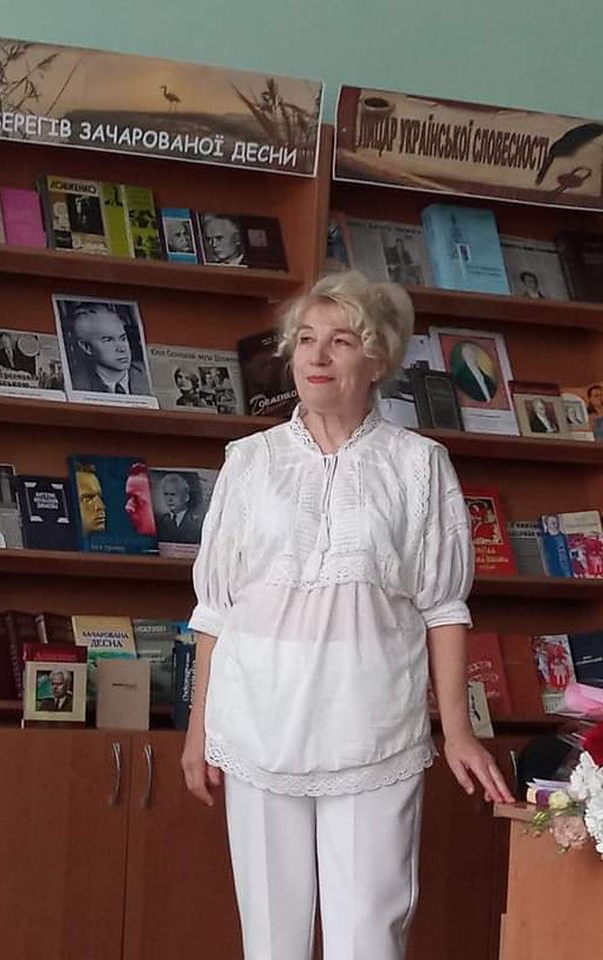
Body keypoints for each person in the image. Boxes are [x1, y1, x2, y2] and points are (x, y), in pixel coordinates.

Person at [181, 269, 513, 960]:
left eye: (340, 341)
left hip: (372, 733)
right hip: (256, 729)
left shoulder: (418, 465)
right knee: (270, 942)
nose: (317, 356)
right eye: (305, 339)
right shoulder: (249, 462)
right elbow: (215, 609)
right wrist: (198, 732)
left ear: (378, 360)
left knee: (368, 939)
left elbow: (442, 606)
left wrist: (457, 732)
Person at [65, 301, 152, 395]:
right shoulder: (76, 384)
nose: (122, 349)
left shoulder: (147, 374)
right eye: (108, 340)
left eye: (123, 338)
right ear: (86, 347)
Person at [154, 472, 203, 543]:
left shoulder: (196, 521)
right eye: (166, 494)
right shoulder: (161, 521)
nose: (169, 499)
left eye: (173, 494)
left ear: (186, 497)